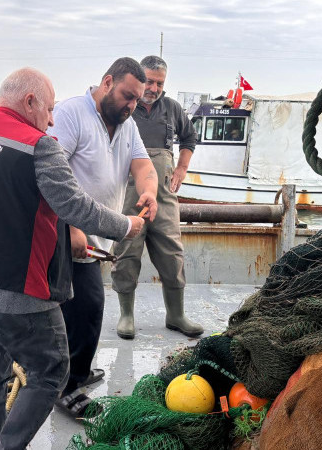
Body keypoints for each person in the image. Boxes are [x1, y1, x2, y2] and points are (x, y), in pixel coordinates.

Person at [0, 67, 145, 450]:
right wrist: (125, 225)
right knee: (51, 371)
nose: (52, 119)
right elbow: (76, 208)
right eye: (49, 109)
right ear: (29, 101)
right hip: (16, 291)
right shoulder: (39, 145)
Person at [47, 57, 159, 417]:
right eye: (127, 96)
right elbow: (51, 175)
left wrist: (149, 191)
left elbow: (142, 165)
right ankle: (67, 387)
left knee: (80, 307)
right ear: (107, 82)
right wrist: (70, 227)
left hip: (96, 240)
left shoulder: (126, 125)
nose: (131, 106)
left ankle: (72, 372)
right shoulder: (70, 114)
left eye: (137, 101)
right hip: (64, 234)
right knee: (87, 306)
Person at [110, 55, 204, 340]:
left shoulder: (172, 108)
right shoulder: (125, 106)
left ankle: (176, 315)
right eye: (149, 81)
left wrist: (181, 168)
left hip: (164, 197)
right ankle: (126, 315)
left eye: (159, 83)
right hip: (127, 195)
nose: (153, 88)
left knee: (172, 254)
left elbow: (189, 139)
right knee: (126, 253)